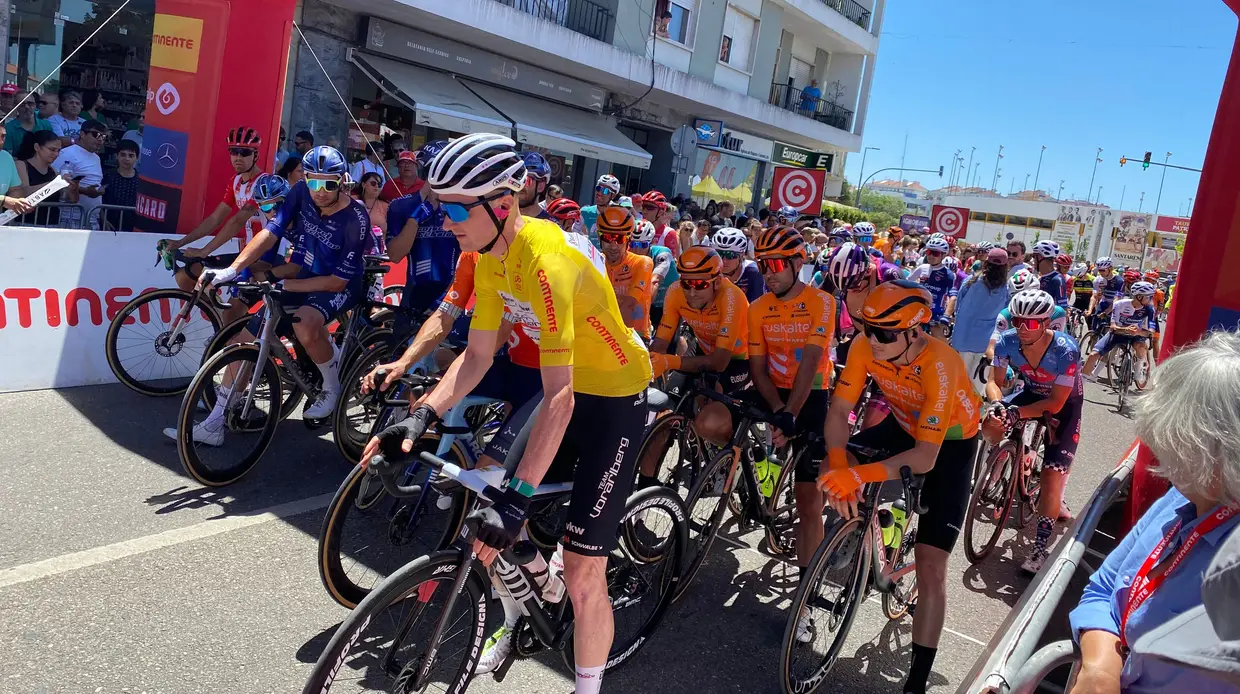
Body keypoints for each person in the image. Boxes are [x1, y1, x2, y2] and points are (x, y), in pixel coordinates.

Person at [361, 132, 651, 694]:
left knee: (583, 567)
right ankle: (532, 601)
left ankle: (586, 684)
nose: (444, 221)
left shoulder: (548, 262)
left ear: (500, 204)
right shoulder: (487, 255)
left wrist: (518, 497)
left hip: (612, 396)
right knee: (487, 500)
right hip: (562, 388)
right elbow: (475, 356)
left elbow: (562, 399)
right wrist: (421, 416)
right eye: (436, 206)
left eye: (453, 208)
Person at [822, 280, 980, 694]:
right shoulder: (864, 344)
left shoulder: (940, 362)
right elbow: (840, 409)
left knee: (931, 567)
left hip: (949, 444)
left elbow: (926, 457)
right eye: (866, 328)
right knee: (832, 458)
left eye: (884, 333)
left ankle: (917, 681)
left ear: (914, 332)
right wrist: (840, 462)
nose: (871, 340)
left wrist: (856, 475)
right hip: (903, 422)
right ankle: (857, 532)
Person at [1069, 330, 1240, 693]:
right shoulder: (1180, 499)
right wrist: (1100, 669)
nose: (1161, 451)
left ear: (1218, 455)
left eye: (1177, 441)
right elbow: (1104, 588)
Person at [199, 146, 371, 427]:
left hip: (341, 283)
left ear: (342, 181)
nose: (320, 190)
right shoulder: (300, 192)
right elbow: (272, 230)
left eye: (329, 183)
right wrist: (233, 269)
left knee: (305, 322)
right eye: (313, 181)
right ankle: (215, 422)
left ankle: (331, 387)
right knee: (242, 340)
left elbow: (337, 282)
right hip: (304, 274)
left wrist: (285, 282)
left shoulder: (356, 218)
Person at [745, 226, 837, 642]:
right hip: (775, 392)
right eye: (764, 264)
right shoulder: (757, 307)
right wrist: (779, 412)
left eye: (779, 264)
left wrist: (791, 415)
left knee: (807, 500)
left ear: (799, 263)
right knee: (730, 430)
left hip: (812, 393)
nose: (771, 272)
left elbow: (811, 362)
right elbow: (758, 369)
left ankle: (806, 593)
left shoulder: (822, 302)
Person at [985, 289, 1084, 572]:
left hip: (1063, 405)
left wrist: (1017, 412)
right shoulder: (1006, 342)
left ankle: (1039, 549)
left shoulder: (1066, 350)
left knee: (1052, 477)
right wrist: (997, 405)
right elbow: (995, 383)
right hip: (1030, 392)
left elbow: (1055, 402)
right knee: (992, 419)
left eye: (1029, 324)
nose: (1022, 329)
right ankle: (1001, 461)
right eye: (1017, 321)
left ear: (1045, 323)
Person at [646, 247, 751, 449]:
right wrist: (648, 360)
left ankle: (743, 452)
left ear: (717, 281)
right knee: (664, 416)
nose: (692, 292)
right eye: (687, 283)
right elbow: (661, 341)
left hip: (737, 360)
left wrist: (669, 361)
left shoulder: (731, 297)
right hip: (702, 351)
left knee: (708, 420)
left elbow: (719, 362)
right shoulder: (676, 291)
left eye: (701, 284)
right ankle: (646, 481)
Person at [162, 126, 265, 289]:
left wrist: (205, 250)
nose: (238, 157)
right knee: (185, 277)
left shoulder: (264, 184)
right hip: (247, 253)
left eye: (245, 153)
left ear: (255, 156)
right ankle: (214, 314)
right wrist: (180, 242)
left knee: (197, 275)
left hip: (267, 255)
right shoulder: (235, 181)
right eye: (234, 151)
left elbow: (238, 220)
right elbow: (215, 219)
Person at [385, 140, 459, 323]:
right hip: (413, 300)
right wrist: (417, 216)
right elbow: (394, 255)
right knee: (401, 351)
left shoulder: (461, 207)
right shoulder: (401, 206)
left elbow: (470, 258)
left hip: (450, 300)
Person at [951, 247, 1011, 393]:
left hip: (962, 340)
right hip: (987, 345)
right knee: (977, 389)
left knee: (957, 385)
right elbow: (1005, 316)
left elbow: (957, 306)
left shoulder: (970, 281)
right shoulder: (1005, 289)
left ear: (986, 262)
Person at [1083, 280, 1158, 384]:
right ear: (1139, 297)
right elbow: (1113, 327)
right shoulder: (1120, 304)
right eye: (1149, 296)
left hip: (1136, 335)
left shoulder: (1150, 309)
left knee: (1140, 346)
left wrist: (1139, 332)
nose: (1151, 299)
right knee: (1093, 355)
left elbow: (1151, 331)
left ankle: (1139, 367)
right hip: (1118, 333)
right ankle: (1081, 383)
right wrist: (1125, 329)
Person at [598, 206, 654, 337]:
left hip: (636, 337)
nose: (613, 246)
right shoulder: (595, 261)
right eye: (607, 238)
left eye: (619, 239)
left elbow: (629, 305)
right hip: (603, 334)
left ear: (628, 239)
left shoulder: (642, 263)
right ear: (599, 237)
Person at [52, 119, 106, 228]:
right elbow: (55, 181)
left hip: (92, 218)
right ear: (82, 134)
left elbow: (94, 186)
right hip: (70, 217)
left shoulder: (96, 158)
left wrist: (103, 219)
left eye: (103, 137)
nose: (100, 139)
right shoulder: (67, 153)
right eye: (96, 134)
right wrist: (85, 191)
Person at [908, 234, 957, 339]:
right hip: (919, 311)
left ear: (943, 255)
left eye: (935, 253)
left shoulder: (949, 275)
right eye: (929, 252)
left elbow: (953, 297)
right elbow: (907, 284)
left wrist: (946, 316)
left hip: (936, 315)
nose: (930, 256)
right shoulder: (922, 268)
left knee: (939, 340)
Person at [631, 218, 677, 330]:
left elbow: (655, 281)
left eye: (642, 245)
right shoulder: (628, 252)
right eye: (633, 244)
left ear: (652, 243)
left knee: (667, 343)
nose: (637, 250)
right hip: (646, 302)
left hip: (670, 303)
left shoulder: (663, 253)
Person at [14, 130, 62, 225]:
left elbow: (71, 199)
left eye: (58, 150)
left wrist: (73, 187)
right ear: (37, 147)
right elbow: (23, 192)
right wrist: (54, 184)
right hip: (26, 223)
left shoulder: (53, 171)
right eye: (52, 149)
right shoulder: (22, 165)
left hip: (52, 224)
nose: (56, 154)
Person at [714, 226, 766, 302]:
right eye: (719, 254)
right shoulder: (711, 270)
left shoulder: (753, 272)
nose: (724, 260)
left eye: (730, 255)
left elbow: (756, 306)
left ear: (741, 255)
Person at [100, 139, 139, 231]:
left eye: (131, 155)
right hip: (109, 226)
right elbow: (98, 201)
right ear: (116, 156)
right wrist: (103, 221)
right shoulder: (107, 176)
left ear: (137, 158)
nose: (127, 159)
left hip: (133, 228)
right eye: (123, 154)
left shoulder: (141, 180)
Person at [5, 91, 52, 157]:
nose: (26, 107)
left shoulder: (46, 124)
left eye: (30, 103)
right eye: (22, 104)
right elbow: (8, 156)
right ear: (15, 107)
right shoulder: (8, 128)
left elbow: (53, 149)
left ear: (35, 105)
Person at [580, 173, 620, 248]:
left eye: (605, 191)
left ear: (613, 195)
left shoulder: (620, 214)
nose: (599, 193)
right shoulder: (584, 212)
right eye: (598, 188)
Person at [1086, 257, 1124, 333]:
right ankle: (1093, 340)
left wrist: (1106, 312)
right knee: (1094, 329)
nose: (1100, 272)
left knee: (1110, 331)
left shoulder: (1119, 281)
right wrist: (1090, 310)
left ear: (1110, 268)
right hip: (1103, 303)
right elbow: (1094, 296)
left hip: (1115, 306)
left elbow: (1117, 300)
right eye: (1099, 270)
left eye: (1103, 270)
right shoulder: (1098, 280)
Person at [642, 190, 681, 257]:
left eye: (650, 208)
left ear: (660, 212)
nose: (644, 211)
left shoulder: (668, 233)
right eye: (643, 207)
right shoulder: (636, 228)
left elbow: (673, 262)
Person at [1032, 240, 1069, 308]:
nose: (1033, 259)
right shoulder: (1041, 278)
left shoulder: (1058, 279)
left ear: (1040, 257)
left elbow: (1063, 309)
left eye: (1034, 256)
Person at [517, 151, 552, 219]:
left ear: (541, 186)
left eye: (526, 180)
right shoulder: (497, 218)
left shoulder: (550, 226)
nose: (519, 184)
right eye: (516, 178)